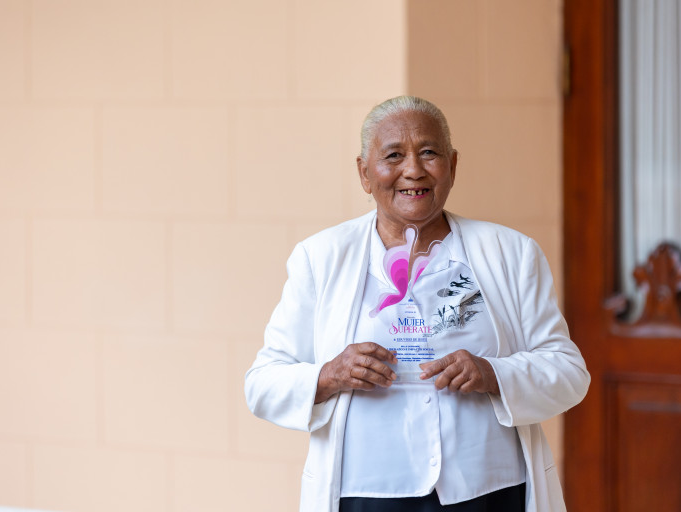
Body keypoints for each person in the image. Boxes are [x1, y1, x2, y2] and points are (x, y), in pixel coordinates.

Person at [245, 96, 590, 512]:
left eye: (429, 153)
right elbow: (262, 384)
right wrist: (330, 374)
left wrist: (492, 374)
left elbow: (569, 372)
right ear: (364, 173)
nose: (413, 170)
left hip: (489, 492)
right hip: (365, 495)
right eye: (394, 155)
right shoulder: (320, 258)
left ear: (453, 166)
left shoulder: (512, 253)